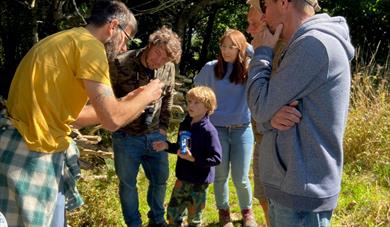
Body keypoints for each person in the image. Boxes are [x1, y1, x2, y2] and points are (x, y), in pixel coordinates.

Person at [0, 0, 165, 226]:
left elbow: (71, 117)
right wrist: (148, 95)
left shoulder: (61, 40)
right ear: (113, 26)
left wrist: (125, 101)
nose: (125, 48)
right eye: (126, 39)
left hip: (17, 149)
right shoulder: (91, 47)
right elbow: (113, 120)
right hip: (34, 156)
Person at [247, 0, 355, 226]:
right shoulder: (304, 43)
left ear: (284, 2)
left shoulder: (313, 44)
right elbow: (267, 113)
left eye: (265, 6)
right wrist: (269, 120)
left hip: (300, 197)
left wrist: (262, 52)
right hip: (292, 189)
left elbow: (259, 105)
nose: (263, 17)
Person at [109, 26, 182, 227]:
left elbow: (168, 97)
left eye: (165, 59)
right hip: (125, 137)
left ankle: (157, 220)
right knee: (128, 185)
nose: (158, 61)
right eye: (157, 53)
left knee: (160, 180)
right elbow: (107, 99)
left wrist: (163, 129)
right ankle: (134, 223)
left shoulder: (168, 68)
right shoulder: (120, 63)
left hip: (154, 135)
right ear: (150, 45)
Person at [194, 29, 257, 227]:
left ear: (240, 48)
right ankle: (224, 212)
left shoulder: (249, 68)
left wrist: (246, 46)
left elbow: (266, 59)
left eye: (232, 47)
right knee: (220, 176)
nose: (227, 51)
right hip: (216, 130)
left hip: (242, 129)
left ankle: (247, 213)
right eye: (223, 46)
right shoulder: (210, 69)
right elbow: (196, 92)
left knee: (241, 178)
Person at [153, 86, 222, 227]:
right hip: (183, 176)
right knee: (173, 213)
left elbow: (216, 158)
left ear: (207, 107)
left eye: (196, 103)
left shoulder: (209, 131)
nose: (191, 105)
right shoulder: (185, 124)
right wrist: (167, 146)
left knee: (194, 217)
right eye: (189, 101)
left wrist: (194, 159)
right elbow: (181, 149)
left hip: (199, 181)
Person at [246, 1, 286, 226]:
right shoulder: (262, 52)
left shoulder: (287, 50)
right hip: (260, 138)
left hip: (278, 144)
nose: (249, 30)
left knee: (278, 203)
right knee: (262, 196)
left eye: (254, 23)